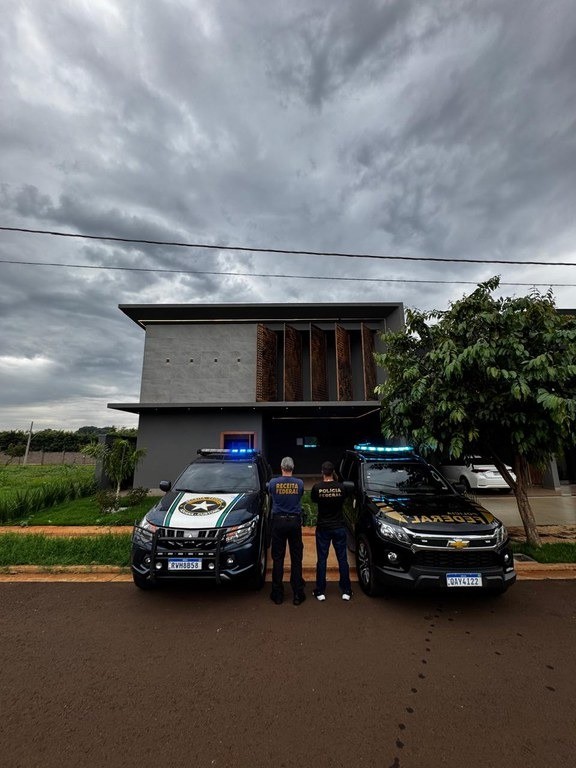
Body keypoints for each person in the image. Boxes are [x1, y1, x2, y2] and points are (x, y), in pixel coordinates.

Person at [311, 460, 352, 601]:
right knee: (342, 559)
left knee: (322, 560)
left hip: (323, 527)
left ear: (322, 472)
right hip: (339, 527)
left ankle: (320, 591)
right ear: (333, 472)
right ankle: (346, 591)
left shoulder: (317, 488)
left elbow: (314, 500)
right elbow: (345, 498)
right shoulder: (341, 488)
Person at [267, 456, 306, 605]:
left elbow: (270, 494)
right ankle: (297, 593)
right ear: (292, 467)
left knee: (278, 558)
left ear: (281, 467)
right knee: (296, 558)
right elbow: (300, 496)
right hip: (294, 522)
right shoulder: (300, 483)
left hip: (278, 521)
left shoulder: (273, 483)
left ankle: (277, 594)